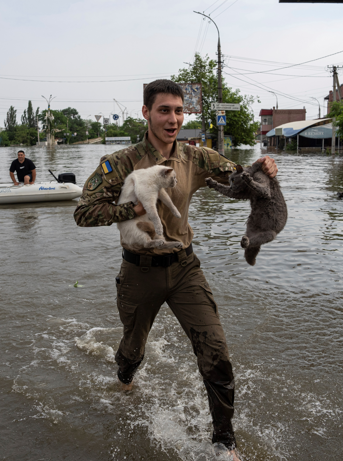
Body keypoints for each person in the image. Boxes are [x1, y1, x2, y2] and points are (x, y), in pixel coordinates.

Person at [73, 79, 277, 460]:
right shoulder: (120, 163)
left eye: (179, 111)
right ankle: (125, 379)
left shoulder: (195, 159)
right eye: (164, 110)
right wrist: (135, 208)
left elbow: (242, 179)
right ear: (147, 113)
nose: (173, 119)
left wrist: (264, 167)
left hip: (185, 268)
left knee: (216, 352)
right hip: (139, 272)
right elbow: (83, 213)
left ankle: (224, 441)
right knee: (132, 352)